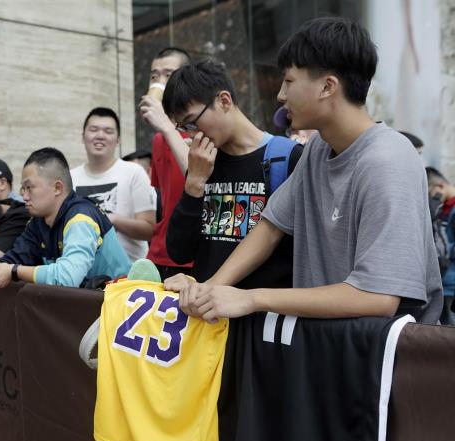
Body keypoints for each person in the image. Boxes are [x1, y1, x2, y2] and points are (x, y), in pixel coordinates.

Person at [167, 17, 443, 325]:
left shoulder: (388, 160)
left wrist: (251, 298)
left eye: (289, 81)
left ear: (327, 86)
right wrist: (209, 289)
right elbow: (271, 226)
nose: (281, 95)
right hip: (329, 348)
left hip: (386, 361)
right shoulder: (317, 149)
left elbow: (378, 297)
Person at [162, 59, 303, 289]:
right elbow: (179, 252)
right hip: (207, 314)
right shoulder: (203, 163)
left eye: (192, 123)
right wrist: (194, 185)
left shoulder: (287, 158)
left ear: (224, 101)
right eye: (183, 129)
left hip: (264, 315)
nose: (191, 135)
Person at [0, 147, 130, 292]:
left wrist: (13, 271)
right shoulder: (38, 222)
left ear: (57, 188)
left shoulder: (81, 217)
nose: (24, 196)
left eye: (29, 187)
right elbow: (16, 258)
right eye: (23, 189)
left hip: (120, 307)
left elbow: (67, 278)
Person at [71, 107, 156, 261]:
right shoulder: (70, 177)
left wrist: (113, 220)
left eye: (108, 131)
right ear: (83, 136)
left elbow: (149, 229)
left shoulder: (134, 173)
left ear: (118, 140)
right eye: (94, 129)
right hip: (82, 271)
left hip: (128, 274)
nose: (100, 136)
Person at [139, 46, 195, 278]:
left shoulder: (201, 131)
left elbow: (197, 180)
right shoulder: (159, 138)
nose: (159, 82)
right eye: (154, 76)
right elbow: (164, 199)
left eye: (168, 75)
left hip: (192, 256)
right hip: (158, 253)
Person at [426, 167, 455, 324]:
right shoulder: (441, 208)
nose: (432, 197)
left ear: (441, 186)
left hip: (452, 283)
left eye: (431, 192)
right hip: (443, 283)